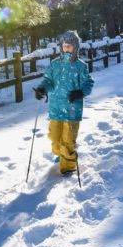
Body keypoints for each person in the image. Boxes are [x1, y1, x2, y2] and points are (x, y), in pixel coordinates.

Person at [34, 30, 94, 176]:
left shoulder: (81, 66)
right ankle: (62, 154)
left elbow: (88, 83)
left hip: (72, 109)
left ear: (75, 47)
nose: (66, 48)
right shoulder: (55, 64)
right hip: (56, 108)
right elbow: (48, 80)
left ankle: (68, 165)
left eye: (70, 46)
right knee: (55, 139)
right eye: (64, 45)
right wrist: (42, 89)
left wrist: (81, 92)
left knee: (67, 140)